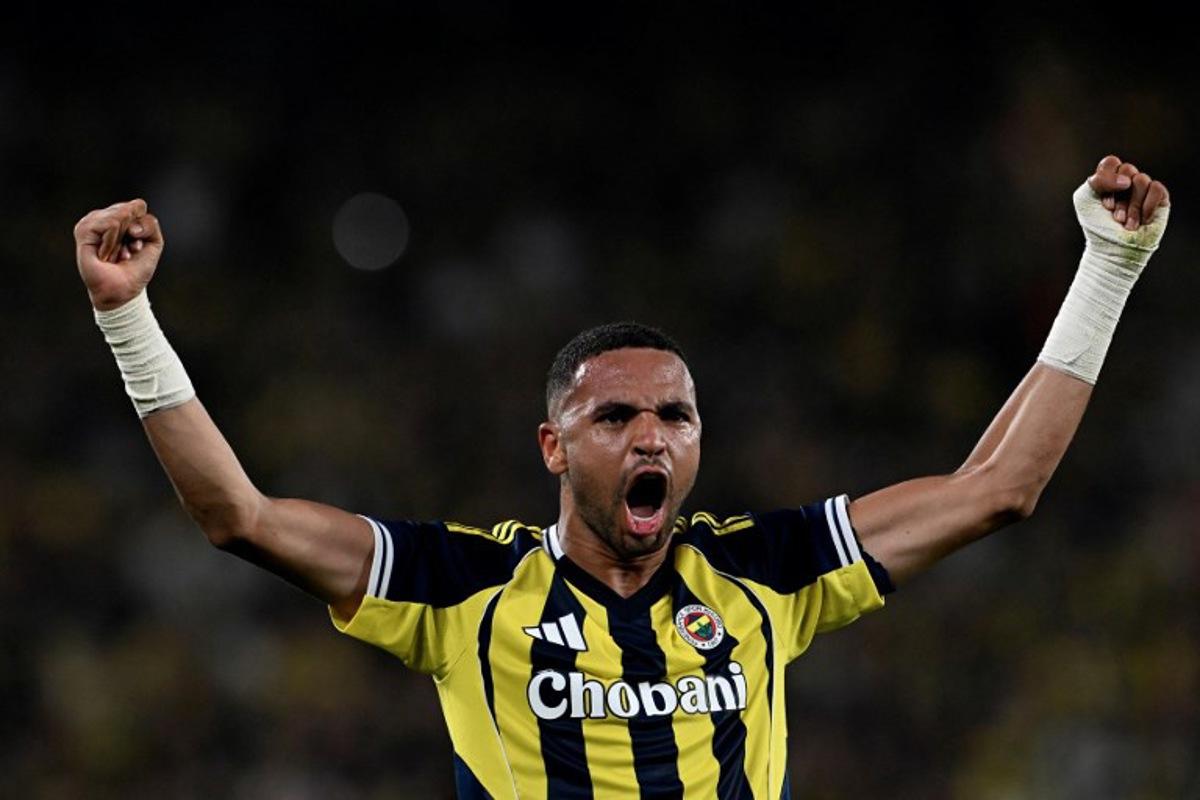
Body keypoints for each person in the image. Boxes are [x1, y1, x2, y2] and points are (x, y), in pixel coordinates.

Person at [74, 154, 1170, 799]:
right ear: (553, 447)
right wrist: (128, 320)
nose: (652, 437)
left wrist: (1108, 269)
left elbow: (997, 488)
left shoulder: (767, 572)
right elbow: (238, 515)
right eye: (615, 416)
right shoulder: (463, 588)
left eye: (675, 416)